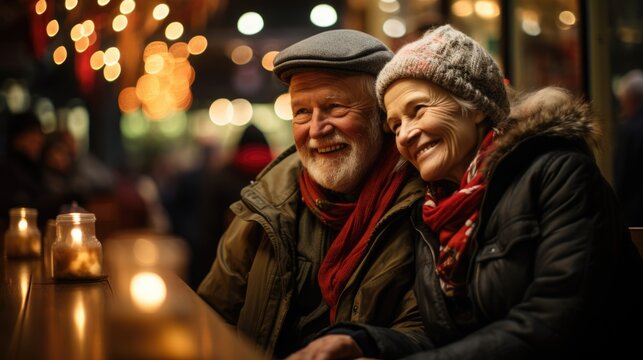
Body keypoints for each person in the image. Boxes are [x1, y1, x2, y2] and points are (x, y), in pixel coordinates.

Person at [290, 25, 643, 359]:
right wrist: (362, 339)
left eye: (418, 110)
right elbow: (445, 338)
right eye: (395, 124)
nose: (405, 135)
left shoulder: (558, 173)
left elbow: (555, 322)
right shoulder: (432, 210)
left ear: (473, 107)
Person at [196, 29, 430, 358]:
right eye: (302, 112)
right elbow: (211, 318)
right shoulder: (264, 206)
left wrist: (360, 343)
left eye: (334, 107)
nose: (316, 130)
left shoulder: (425, 206)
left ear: (382, 117)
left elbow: (428, 333)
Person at [192, 124, 273, 288]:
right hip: (268, 269)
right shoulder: (278, 176)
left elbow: (208, 227)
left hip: (227, 262)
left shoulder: (221, 177)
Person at [613, 69, 643, 226]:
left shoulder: (630, 131)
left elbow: (622, 177)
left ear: (631, 100)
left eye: (623, 101)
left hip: (635, 213)